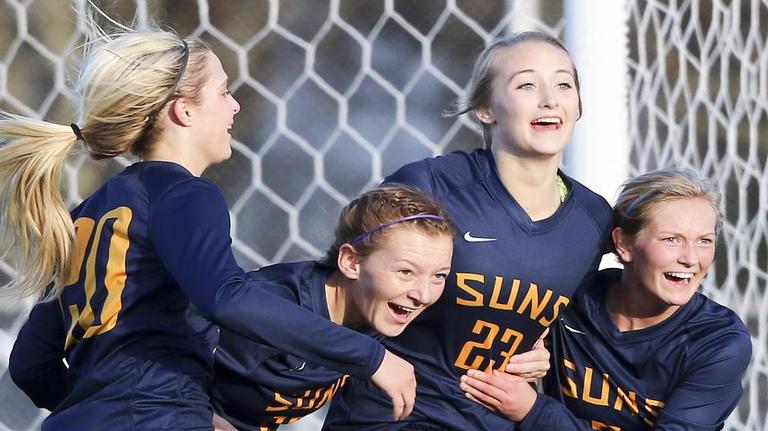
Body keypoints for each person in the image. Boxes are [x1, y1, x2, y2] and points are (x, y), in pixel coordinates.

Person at [3, 17, 416, 431]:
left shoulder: (86, 213)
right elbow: (225, 296)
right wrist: (370, 356)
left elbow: (29, 365)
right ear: (183, 111)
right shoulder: (185, 195)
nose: (235, 105)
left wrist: (99, 410)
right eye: (223, 91)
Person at [323, 31, 614, 430]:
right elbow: (337, 289)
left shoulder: (594, 219)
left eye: (564, 84)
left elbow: (558, 324)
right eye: (527, 84)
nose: (550, 99)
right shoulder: (429, 185)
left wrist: (544, 353)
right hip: (395, 416)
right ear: (485, 108)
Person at [459, 168, 753, 430]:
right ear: (623, 244)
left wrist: (534, 410)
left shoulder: (718, 341)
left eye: (705, 241)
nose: (691, 258)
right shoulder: (569, 299)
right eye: (671, 239)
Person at [210, 185, 454, 431]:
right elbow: (173, 370)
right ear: (351, 262)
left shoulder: (383, 316)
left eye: (439, 276)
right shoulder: (274, 305)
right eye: (406, 271)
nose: (423, 295)